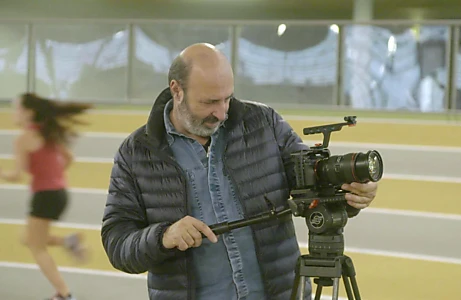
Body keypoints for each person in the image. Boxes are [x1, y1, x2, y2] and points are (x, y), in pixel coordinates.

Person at [101, 43, 378, 300]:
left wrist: (350, 192)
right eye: (209, 102)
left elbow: (311, 180)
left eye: (227, 99)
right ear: (177, 90)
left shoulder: (264, 124)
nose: (221, 113)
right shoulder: (136, 153)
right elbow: (117, 242)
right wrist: (163, 236)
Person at [0, 93, 92, 300]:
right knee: (28, 238)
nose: (14, 113)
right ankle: (68, 242)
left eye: (17, 109)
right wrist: (54, 176)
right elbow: (69, 158)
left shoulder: (23, 139)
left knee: (37, 247)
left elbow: (17, 175)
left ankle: (64, 295)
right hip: (59, 193)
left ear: (29, 112)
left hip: (44, 195)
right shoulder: (48, 133)